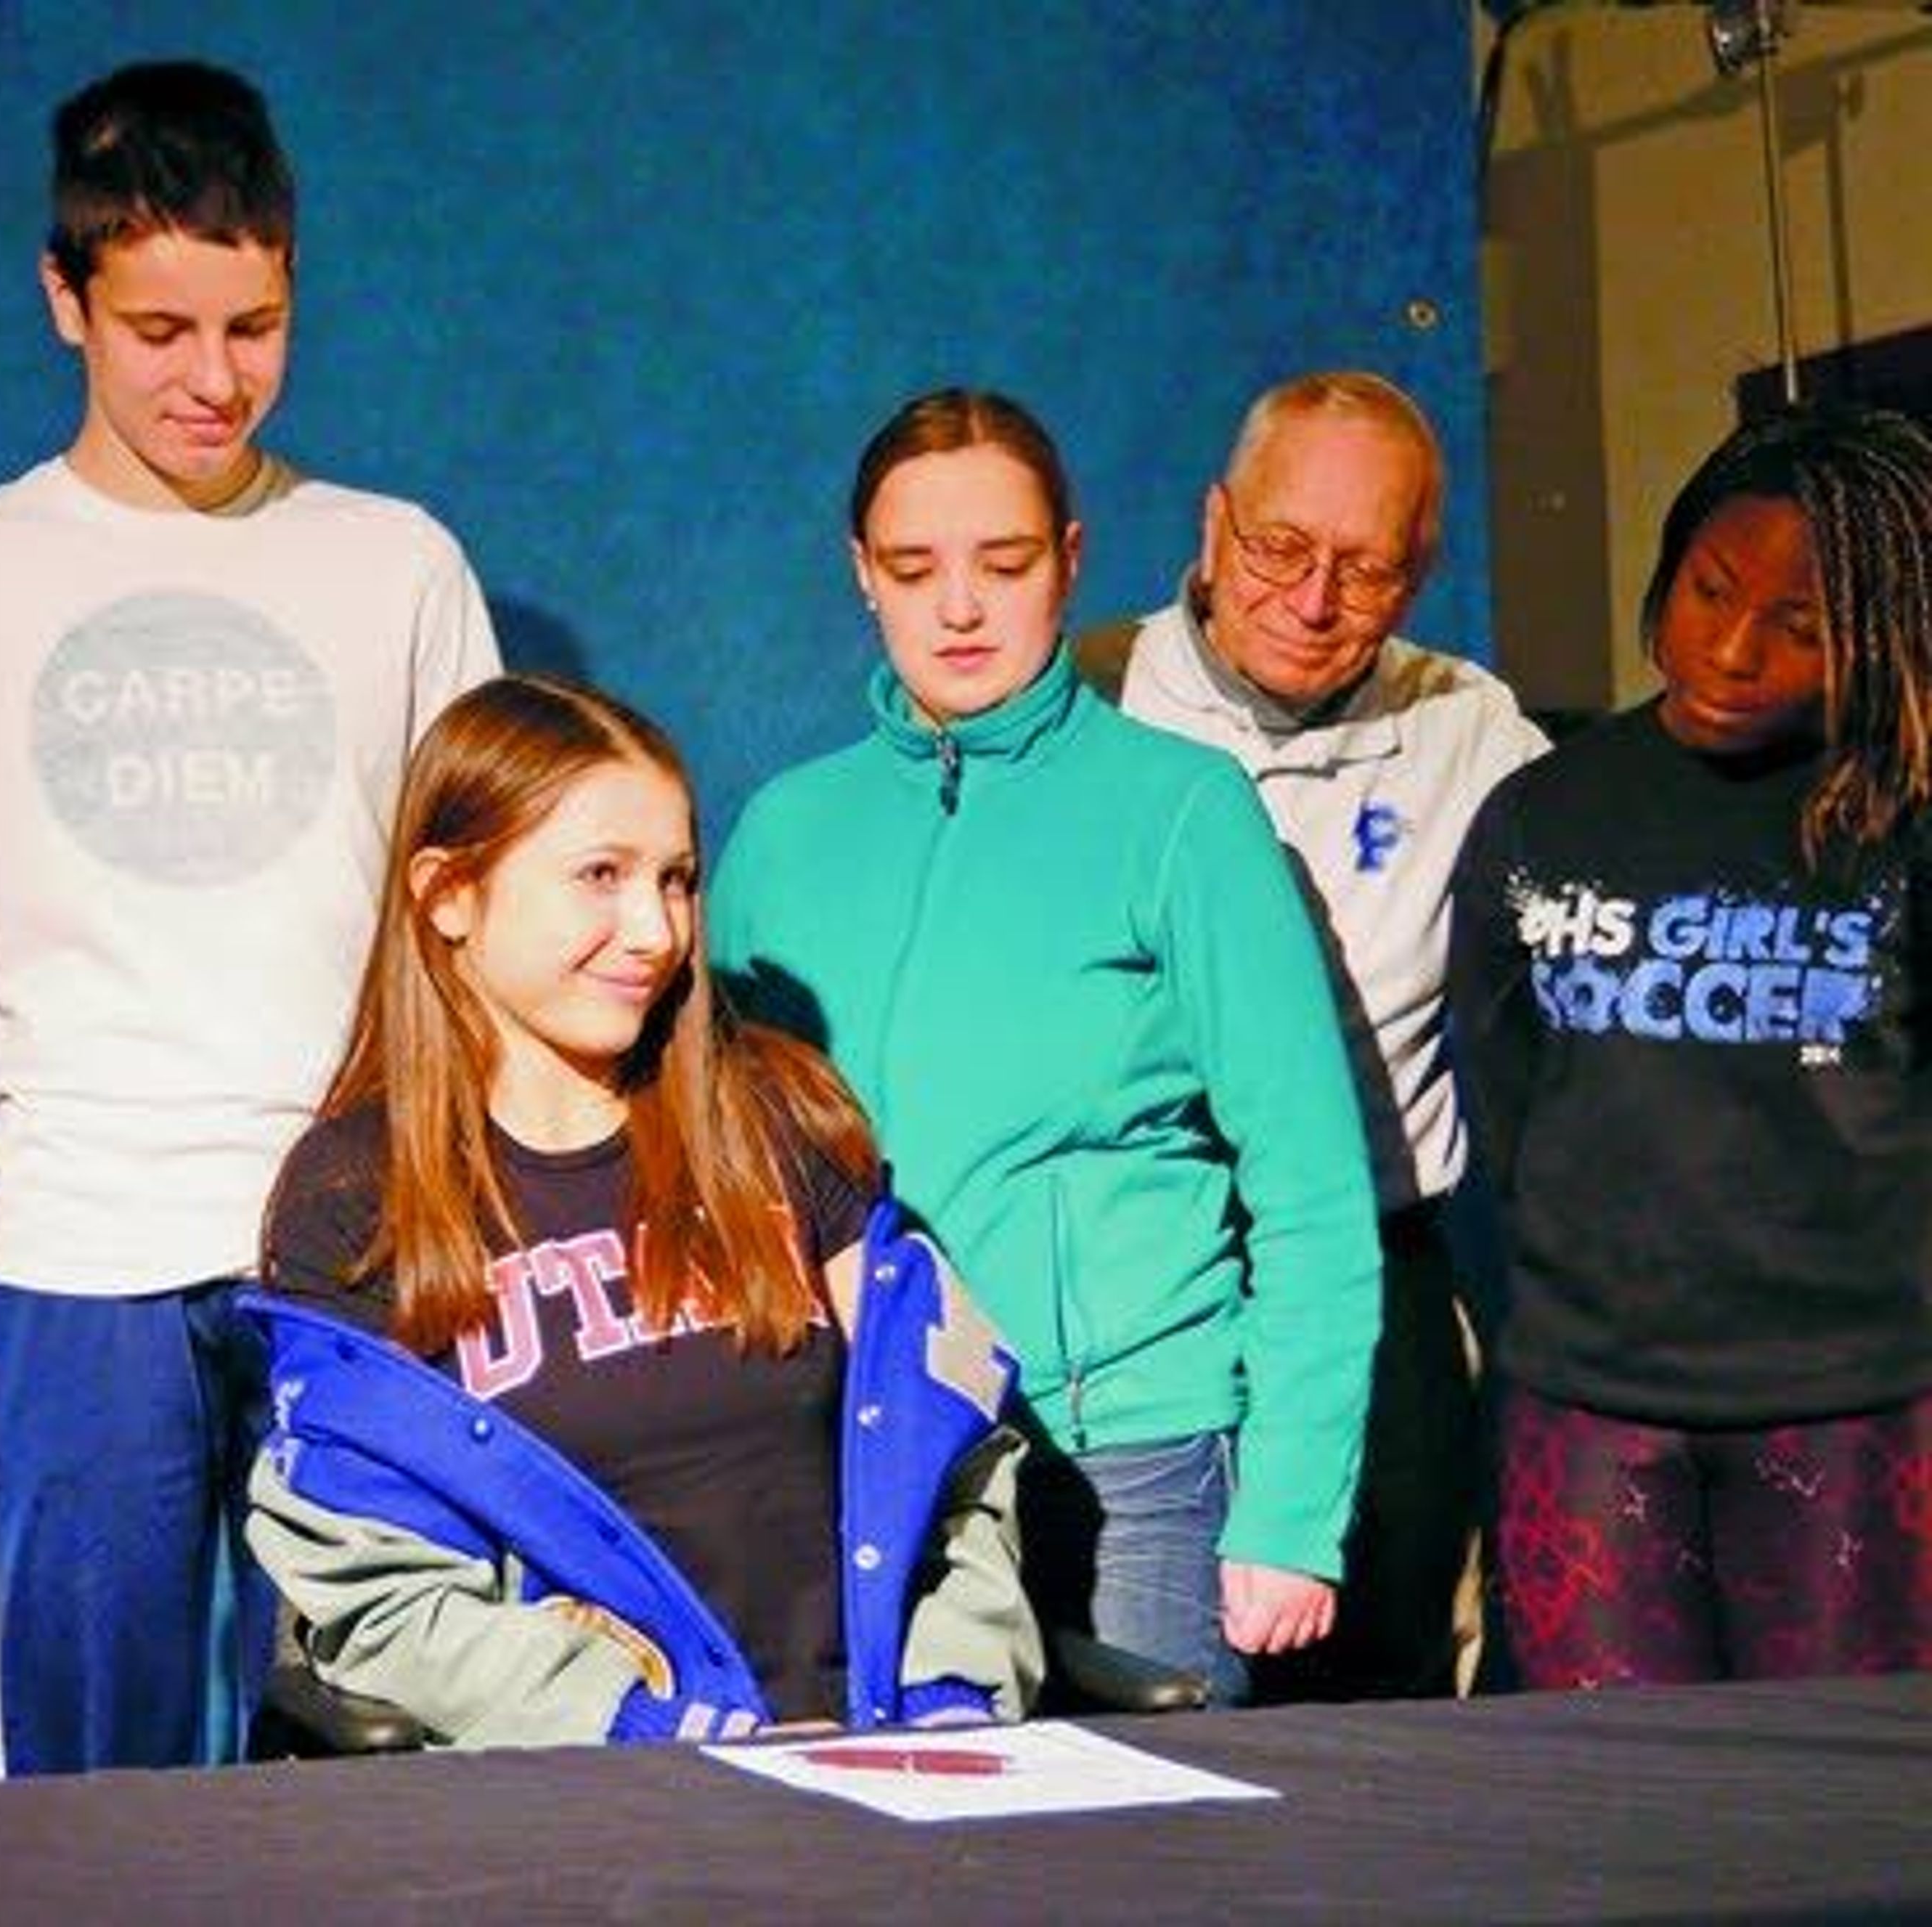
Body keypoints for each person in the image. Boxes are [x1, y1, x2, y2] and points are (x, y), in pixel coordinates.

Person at [0, 60, 500, 1775]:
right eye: (161, 330)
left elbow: (475, 944)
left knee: (376, 1754)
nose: (215, 380)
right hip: (76, 1263)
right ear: (63, 300)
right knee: (86, 1786)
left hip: (351, 1250)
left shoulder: (397, 562)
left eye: (255, 326)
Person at [708, 387, 1381, 1708]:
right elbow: (715, 1153)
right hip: (880, 1455)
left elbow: (1310, 1187)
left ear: (1071, 559)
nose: (960, 606)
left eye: (1003, 564)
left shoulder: (1183, 813)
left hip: (1131, 1457)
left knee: (1147, 1867)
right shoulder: (787, 831)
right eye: (915, 568)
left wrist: (1292, 1507)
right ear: (862, 576)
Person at [248, 674, 1044, 1745]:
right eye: (600, 876)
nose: (654, 931)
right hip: (594, 1800)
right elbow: (385, 1597)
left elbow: (956, 1454)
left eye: (676, 880)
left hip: (878, 1758)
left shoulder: (780, 1115)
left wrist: (951, 1698)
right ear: (448, 894)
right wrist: (636, 1728)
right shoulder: (351, 1196)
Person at [1450, 402, 1932, 1690]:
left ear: (1880, 642)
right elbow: (1504, 1093)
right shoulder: (1546, 811)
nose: (1730, 647)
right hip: (1592, 1405)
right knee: (1616, 1817)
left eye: (1802, 626)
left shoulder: (1903, 827)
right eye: (1710, 589)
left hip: (1858, 1407)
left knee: (1841, 1813)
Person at [1083, 371, 1547, 1699]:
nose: (1311, 596)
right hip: (1147, 1273)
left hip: (1376, 1276)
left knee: (1378, 1692)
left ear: (1421, 573)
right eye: (1279, 546)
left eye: (1366, 566)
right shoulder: (1088, 702)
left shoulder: (1471, 732)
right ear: (1214, 521)